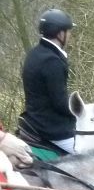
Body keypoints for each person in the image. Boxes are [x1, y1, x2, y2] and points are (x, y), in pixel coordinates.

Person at [17, 9, 76, 158]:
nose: (70, 36)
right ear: (60, 34)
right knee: (91, 154)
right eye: (68, 32)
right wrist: (81, 112)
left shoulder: (35, 53)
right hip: (51, 128)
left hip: (34, 119)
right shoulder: (52, 61)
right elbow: (60, 103)